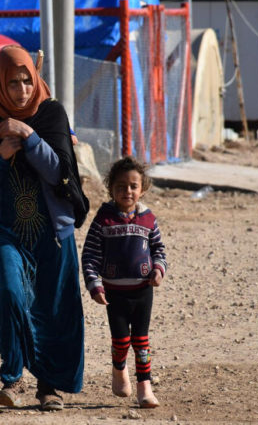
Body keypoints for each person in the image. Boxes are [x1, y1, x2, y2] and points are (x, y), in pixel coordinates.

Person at [0, 45, 89, 411]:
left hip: (53, 233)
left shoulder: (51, 115)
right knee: (10, 295)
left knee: (54, 308)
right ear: (0, 83)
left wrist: (30, 138)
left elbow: (61, 174)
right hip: (6, 232)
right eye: (13, 83)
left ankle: (50, 387)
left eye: (27, 81)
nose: (21, 91)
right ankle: (12, 377)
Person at [81, 156, 166, 409]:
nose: (127, 191)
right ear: (111, 189)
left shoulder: (149, 219)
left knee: (141, 340)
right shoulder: (103, 220)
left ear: (143, 188)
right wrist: (94, 284)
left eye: (133, 186)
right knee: (121, 341)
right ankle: (119, 368)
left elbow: (159, 250)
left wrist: (158, 271)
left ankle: (145, 387)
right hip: (114, 293)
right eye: (120, 186)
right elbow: (90, 255)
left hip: (142, 291)